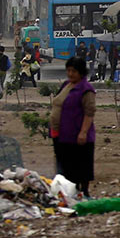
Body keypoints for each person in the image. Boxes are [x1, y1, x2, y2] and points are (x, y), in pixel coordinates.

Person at [49, 56, 96, 200]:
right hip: (62, 134)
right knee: (65, 164)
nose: (70, 74)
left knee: (81, 164)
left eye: (73, 71)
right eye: (68, 70)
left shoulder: (86, 89)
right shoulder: (66, 85)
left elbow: (89, 113)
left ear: (81, 72)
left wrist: (83, 132)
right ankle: (68, 192)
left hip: (78, 134)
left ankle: (84, 193)